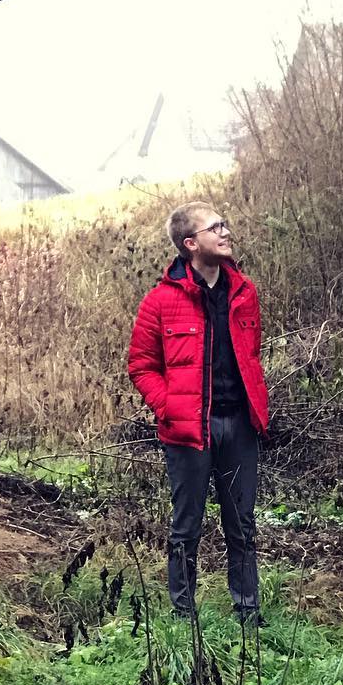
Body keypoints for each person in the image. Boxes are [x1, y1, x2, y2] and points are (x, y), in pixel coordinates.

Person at [128, 201, 271, 624]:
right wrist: (168, 406)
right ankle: (183, 615)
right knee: (186, 526)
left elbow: (251, 355)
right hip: (188, 430)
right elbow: (141, 365)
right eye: (216, 227)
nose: (226, 232)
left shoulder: (244, 293)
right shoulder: (159, 302)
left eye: (225, 224)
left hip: (239, 427)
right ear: (191, 244)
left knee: (242, 526)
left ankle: (249, 614)